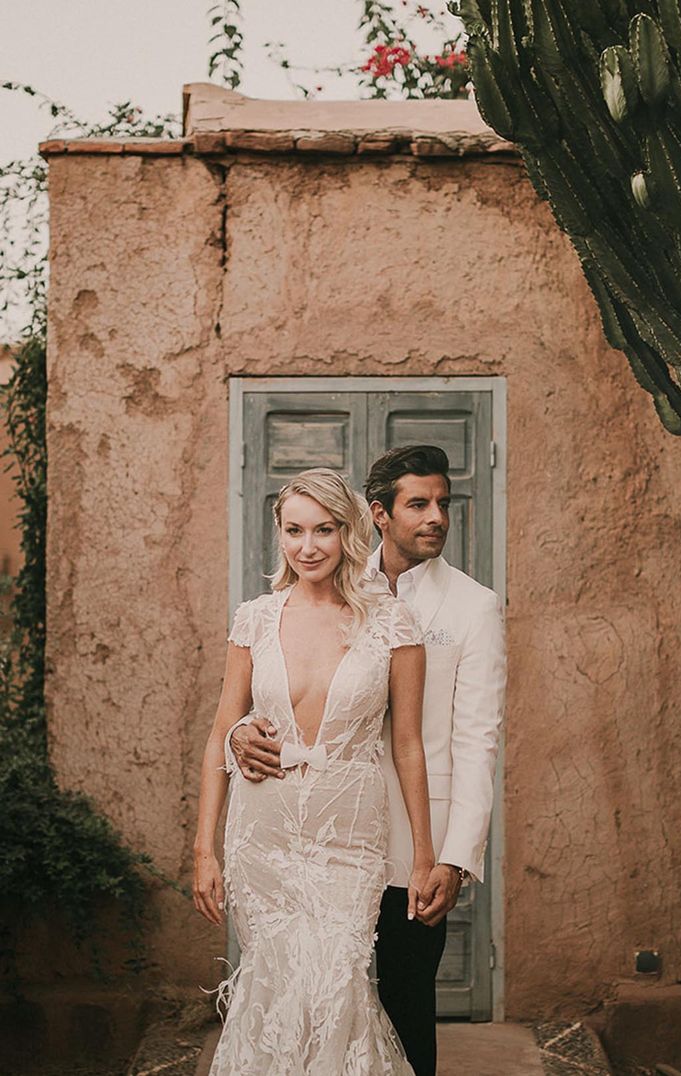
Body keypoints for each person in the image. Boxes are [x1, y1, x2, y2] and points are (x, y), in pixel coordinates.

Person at [230, 446, 506, 1076]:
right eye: (418, 504)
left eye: (443, 503)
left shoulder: (472, 607)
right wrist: (240, 736)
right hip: (320, 833)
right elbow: (281, 691)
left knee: (406, 999)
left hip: (415, 841)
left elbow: (476, 740)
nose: (435, 516)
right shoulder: (328, 585)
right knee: (314, 996)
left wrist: (454, 858)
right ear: (378, 515)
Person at [193, 467, 433, 1075]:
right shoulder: (254, 619)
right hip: (262, 837)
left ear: (347, 532)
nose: (308, 547)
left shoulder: (392, 623)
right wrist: (204, 851)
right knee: (272, 991)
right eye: (294, 531)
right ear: (278, 534)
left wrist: (425, 855)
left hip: (348, 841)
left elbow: (407, 745)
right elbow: (223, 729)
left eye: (324, 529)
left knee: (337, 985)